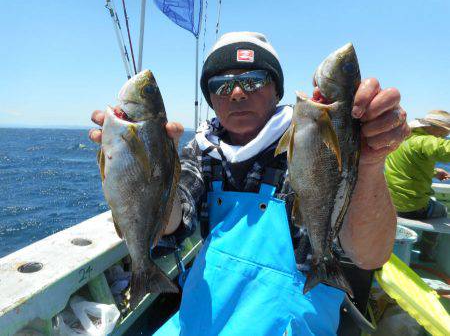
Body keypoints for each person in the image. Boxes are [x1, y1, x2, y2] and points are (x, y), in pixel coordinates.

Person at [89, 32, 409, 335]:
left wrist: (368, 162)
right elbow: (173, 228)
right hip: (202, 315)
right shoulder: (200, 152)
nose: (238, 93)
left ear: (276, 90)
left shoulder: (314, 143)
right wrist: (155, 174)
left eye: (254, 80)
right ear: (211, 98)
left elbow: (369, 256)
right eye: (223, 85)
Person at [385, 110, 450, 261]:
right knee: (441, 210)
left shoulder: (403, 140)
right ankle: (426, 254)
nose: (444, 135)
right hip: (412, 208)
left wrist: (434, 172)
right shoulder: (424, 141)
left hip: (390, 204)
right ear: (434, 128)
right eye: (444, 131)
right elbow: (444, 149)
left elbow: (409, 166)